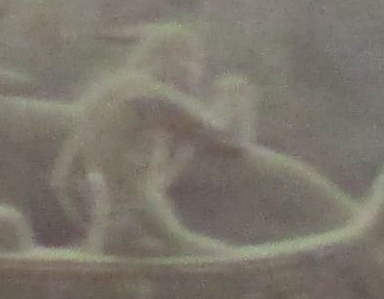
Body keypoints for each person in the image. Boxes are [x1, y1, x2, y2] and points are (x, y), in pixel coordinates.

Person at [51, 23, 252, 258]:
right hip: (146, 227)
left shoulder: (104, 95)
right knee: (233, 261)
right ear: (174, 58)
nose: (199, 74)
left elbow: (63, 181)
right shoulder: (152, 96)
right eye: (196, 61)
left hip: (108, 235)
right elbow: (227, 137)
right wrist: (234, 95)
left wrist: (98, 225)